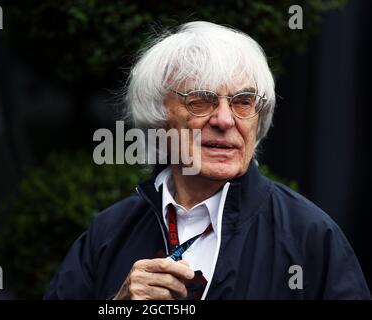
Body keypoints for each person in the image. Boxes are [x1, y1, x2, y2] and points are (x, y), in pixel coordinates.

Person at [44, 21, 371, 300]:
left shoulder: (309, 236)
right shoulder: (109, 232)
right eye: (201, 101)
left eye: (243, 102)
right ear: (160, 119)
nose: (225, 120)